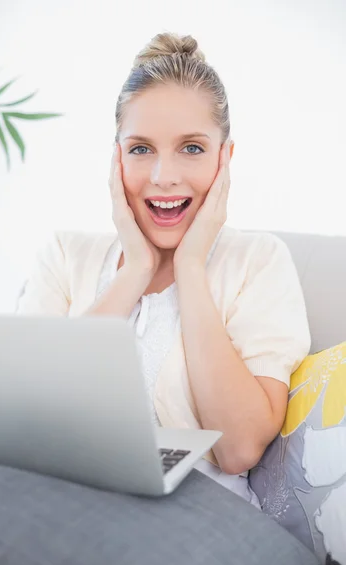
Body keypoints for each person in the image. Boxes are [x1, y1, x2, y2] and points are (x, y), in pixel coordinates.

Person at [16, 32, 311, 509]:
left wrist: (191, 269)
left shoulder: (258, 260)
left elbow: (238, 449)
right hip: (63, 501)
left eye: (191, 148)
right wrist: (133, 272)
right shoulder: (64, 256)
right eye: (140, 149)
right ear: (116, 158)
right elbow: (27, 418)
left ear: (225, 158)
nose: (162, 176)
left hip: (199, 521)